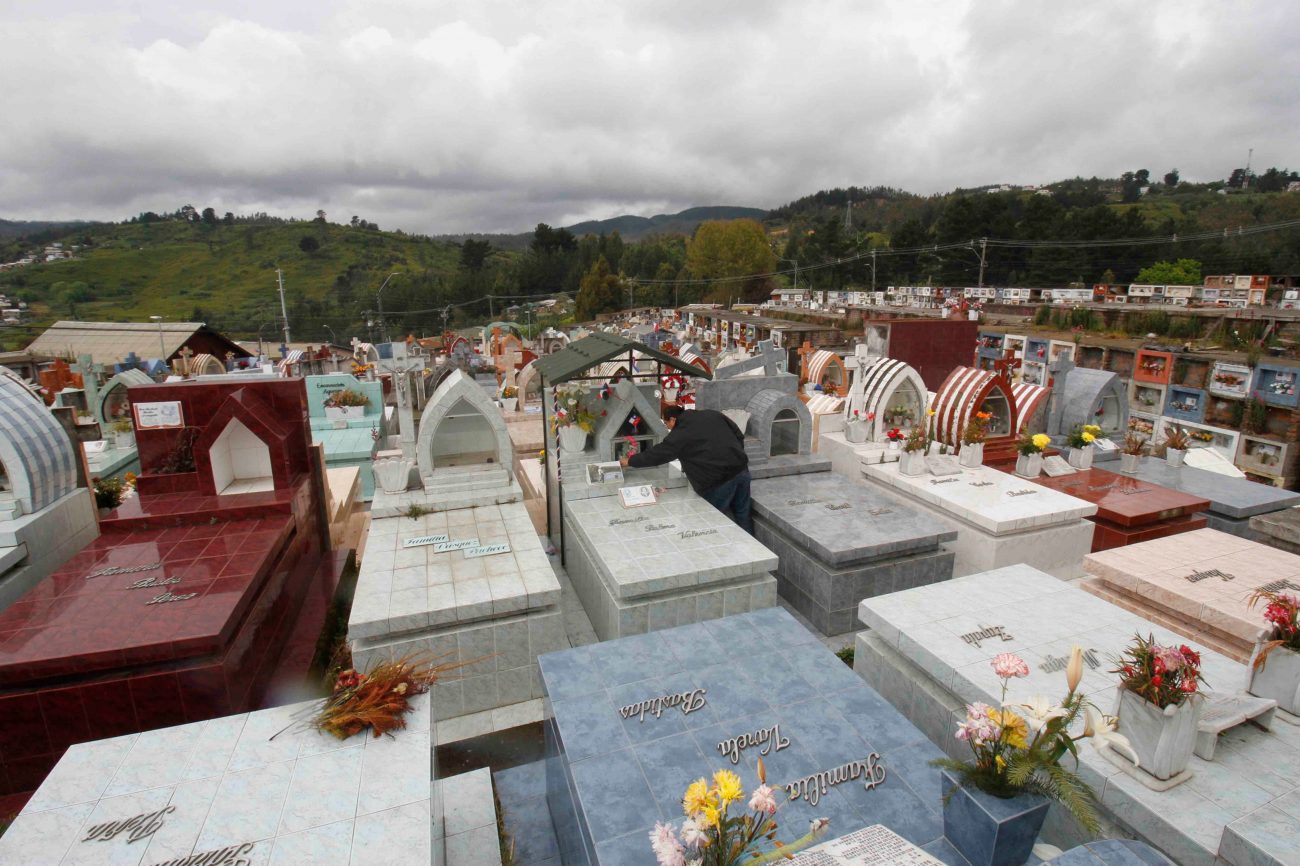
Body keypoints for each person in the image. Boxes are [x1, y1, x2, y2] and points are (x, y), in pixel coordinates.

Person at [619, 405, 753, 533]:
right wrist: (736, 456)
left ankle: (724, 552)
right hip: (741, 471)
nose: (669, 428)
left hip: (718, 482)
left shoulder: (681, 433)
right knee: (743, 513)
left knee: (713, 521)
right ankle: (752, 549)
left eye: (667, 424)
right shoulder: (712, 414)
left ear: (673, 419)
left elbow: (658, 455)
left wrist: (630, 461)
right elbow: (738, 434)